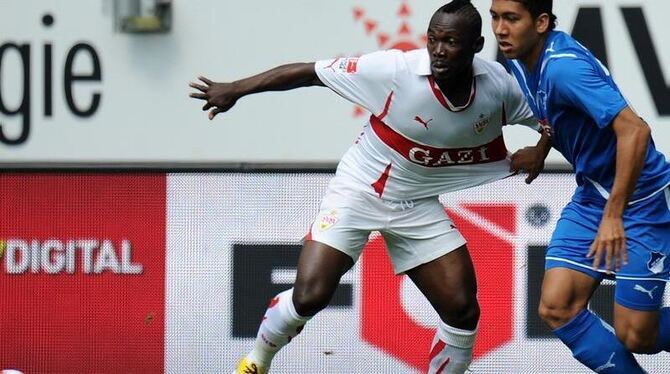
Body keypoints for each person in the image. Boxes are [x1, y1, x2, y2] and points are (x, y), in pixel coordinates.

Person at [190, 1, 543, 373]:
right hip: (360, 191)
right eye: (433, 40)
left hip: (416, 203)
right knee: (311, 296)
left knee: (462, 308)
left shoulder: (499, 87)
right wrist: (235, 89)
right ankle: (256, 363)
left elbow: (554, 123)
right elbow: (310, 73)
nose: (438, 51)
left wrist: (541, 148)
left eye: (451, 42)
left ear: (475, 45)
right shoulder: (394, 70)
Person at [490, 0, 670, 372]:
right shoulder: (521, 61)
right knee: (557, 306)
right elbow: (554, 113)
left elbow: (636, 131)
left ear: (541, 22)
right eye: (495, 17)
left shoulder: (563, 68)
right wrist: (542, 149)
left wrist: (614, 215)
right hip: (593, 195)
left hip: (641, 201)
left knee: (638, 336)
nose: (500, 29)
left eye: (511, 18)